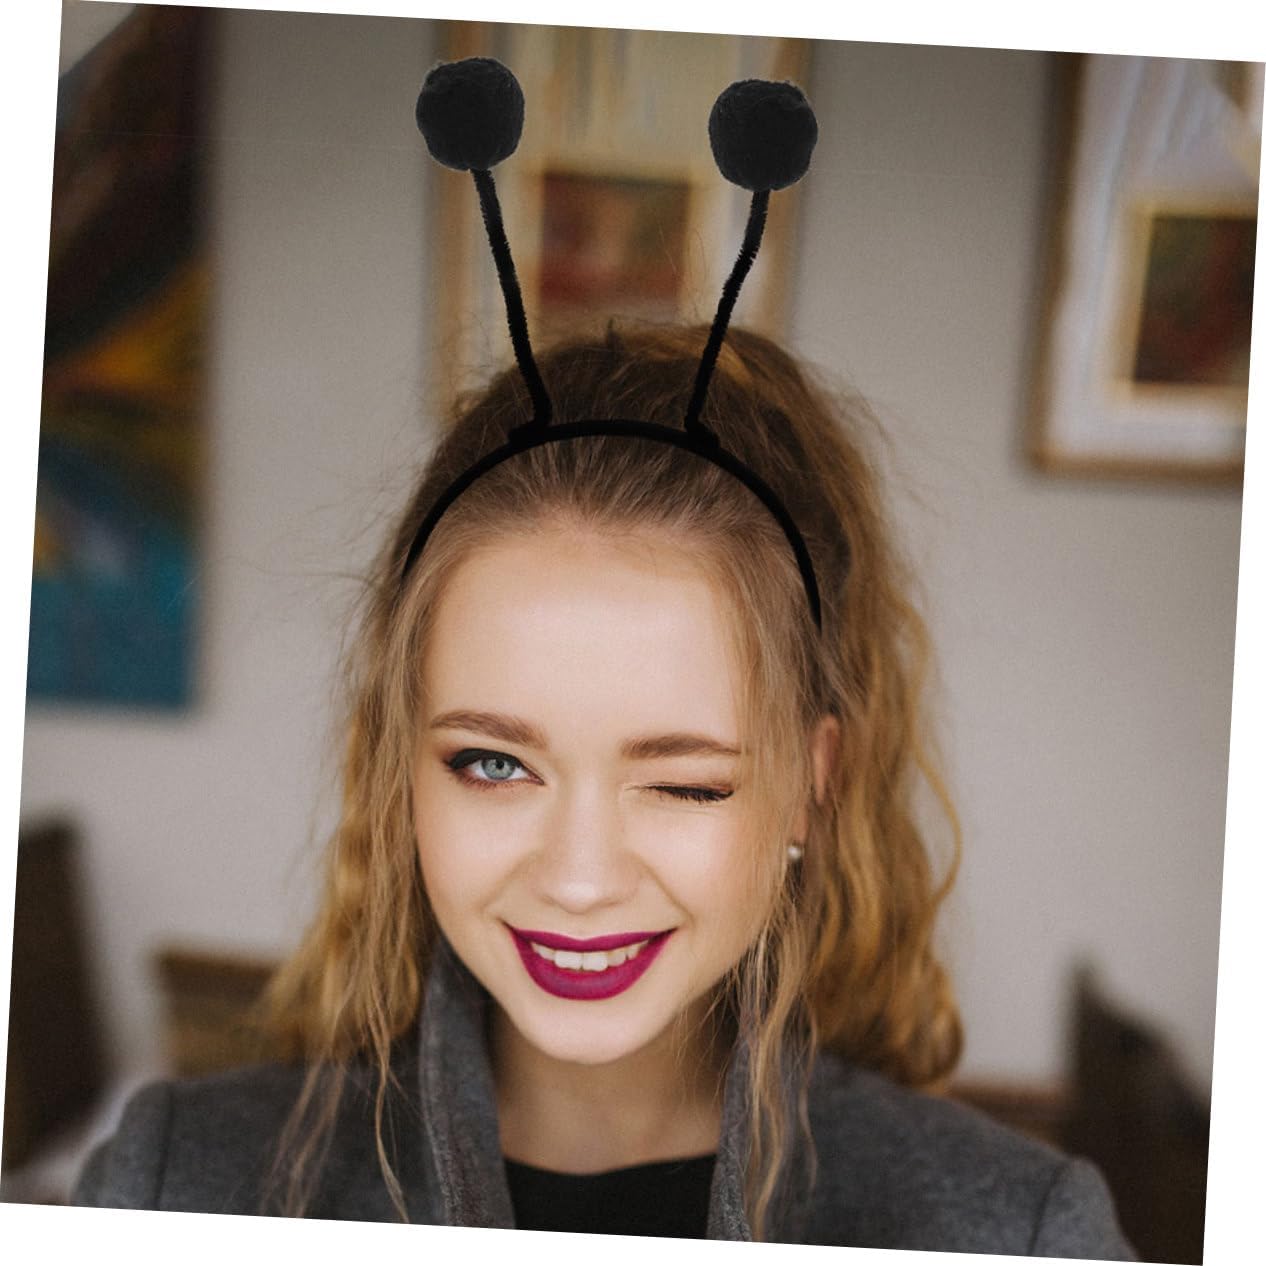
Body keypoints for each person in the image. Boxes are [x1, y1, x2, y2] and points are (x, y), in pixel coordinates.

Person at [73, 59, 1134, 1256]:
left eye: (683, 782)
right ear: (398, 765)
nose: (579, 881)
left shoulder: (1016, 1230)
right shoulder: (176, 1187)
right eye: (492, 764)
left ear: (811, 783)